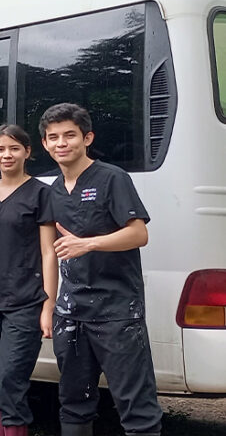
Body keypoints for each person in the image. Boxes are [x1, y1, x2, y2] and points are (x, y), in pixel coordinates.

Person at [39, 103, 162, 436]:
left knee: (137, 409)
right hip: (71, 314)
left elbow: (139, 233)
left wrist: (88, 243)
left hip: (117, 313)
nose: (61, 143)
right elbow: (49, 254)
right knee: (74, 405)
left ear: (87, 138)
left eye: (69, 135)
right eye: (53, 137)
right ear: (45, 145)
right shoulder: (52, 190)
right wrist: (49, 305)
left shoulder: (111, 178)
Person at [0, 125, 57, 436]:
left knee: (11, 378)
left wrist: (48, 306)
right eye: (0, 149)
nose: (7, 154)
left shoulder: (40, 194)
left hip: (25, 300)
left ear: (28, 152)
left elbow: (49, 253)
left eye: (14, 148)